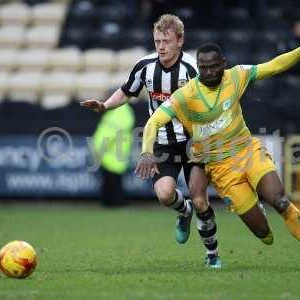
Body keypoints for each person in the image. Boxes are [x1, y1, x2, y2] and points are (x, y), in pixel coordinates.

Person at [136, 36, 300, 273]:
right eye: (203, 68)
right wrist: (146, 152)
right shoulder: (186, 94)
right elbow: (153, 122)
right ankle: (255, 214)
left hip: (248, 153)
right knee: (264, 234)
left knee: (281, 200)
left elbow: (274, 66)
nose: (209, 71)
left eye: (214, 66)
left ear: (223, 64)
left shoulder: (236, 75)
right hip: (221, 170)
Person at [80, 14, 221, 268]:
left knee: (201, 198)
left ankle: (212, 255)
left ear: (180, 40)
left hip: (193, 142)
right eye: (157, 41)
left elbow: (211, 104)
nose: (161, 46)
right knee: (165, 195)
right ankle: (184, 212)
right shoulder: (145, 66)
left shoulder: (192, 69)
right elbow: (126, 91)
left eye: (166, 41)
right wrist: (104, 105)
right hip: (163, 142)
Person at [92, 104, 135, 207]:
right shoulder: (123, 111)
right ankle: (115, 202)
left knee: (112, 183)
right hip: (113, 155)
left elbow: (109, 133)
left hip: (111, 154)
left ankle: (115, 202)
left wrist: (99, 147)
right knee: (112, 182)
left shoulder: (118, 112)